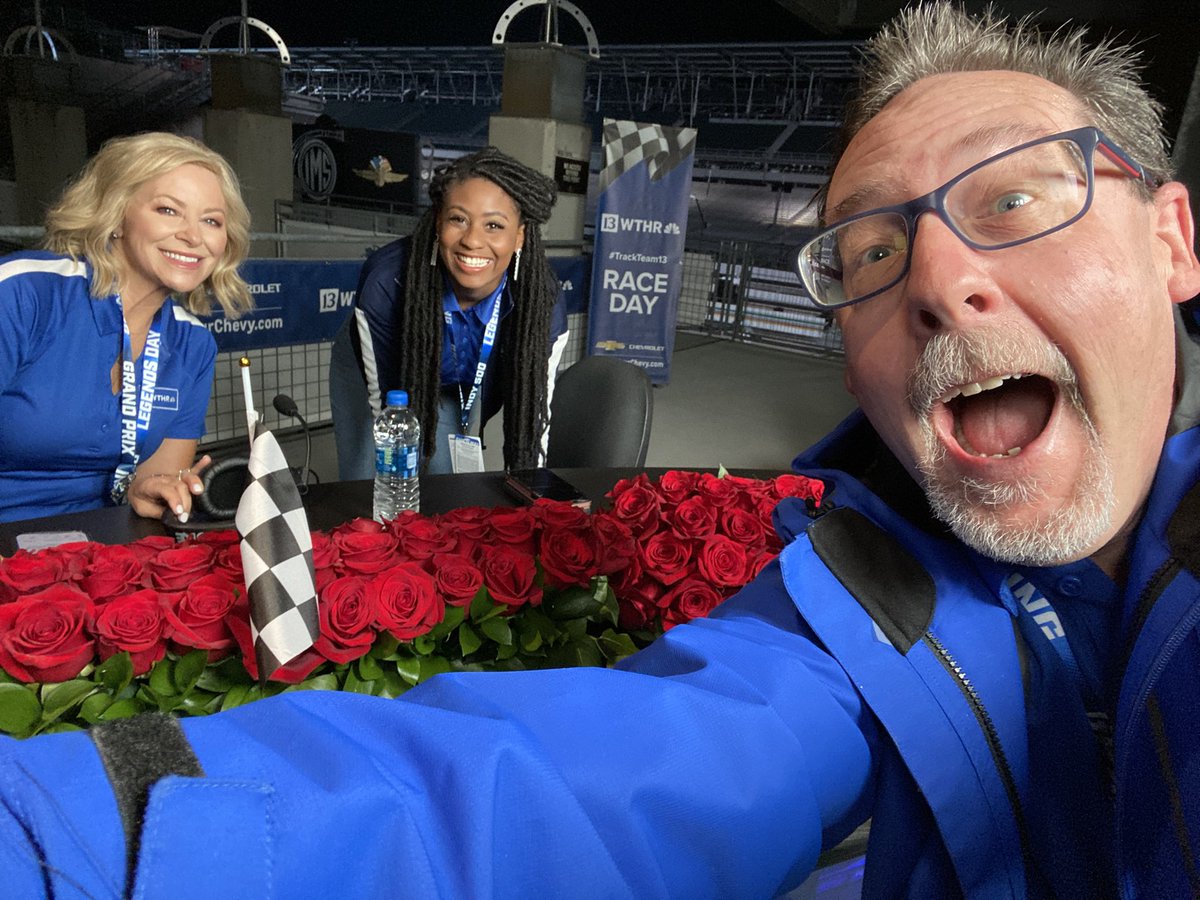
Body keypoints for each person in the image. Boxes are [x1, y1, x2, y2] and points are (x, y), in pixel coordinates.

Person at [2, 4, 1199, 897]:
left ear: (1173, 238)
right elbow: (544, 783)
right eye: (874, 249)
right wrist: (66, 836)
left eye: (1015, 201)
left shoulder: (540, 312)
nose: (941, 280)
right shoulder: (846, 602)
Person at [0, 131, 252, 524]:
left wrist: (148, 489)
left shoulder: (192, 344)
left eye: (211, 221)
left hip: (102, 546)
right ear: (115, 214)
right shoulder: (24, 294)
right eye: (168, 210)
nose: (193, 236)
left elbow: (157, 480)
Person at [331, 146, 569, 478]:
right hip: (386, 372)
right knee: (370, 475)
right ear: (438, 221)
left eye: (494, 226)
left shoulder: (541, 301)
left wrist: (534, 496)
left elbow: (534, 420)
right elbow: (387, 422)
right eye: (458, 219)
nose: (472, 240)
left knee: (454, 480)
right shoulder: (387, 285)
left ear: (519, 237)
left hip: (468, 379)